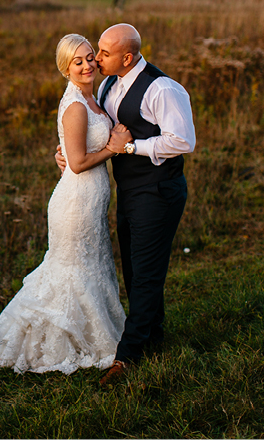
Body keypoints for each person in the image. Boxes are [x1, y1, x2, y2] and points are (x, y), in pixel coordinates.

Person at [56, 23, 196, 386]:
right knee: (135, 271)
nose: (96, 59)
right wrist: (69, 154)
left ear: (127, 57)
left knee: (146, 273)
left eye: (102, 53)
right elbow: (94, 130)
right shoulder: (107, 84)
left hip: (158, 190)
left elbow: (182, 141)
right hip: (126, 191)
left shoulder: (162, 88)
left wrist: (132, 148)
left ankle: (127, 357)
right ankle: (153, 336)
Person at [0, 34, 127, 374]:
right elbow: (77, 163)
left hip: (90, 200)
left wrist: (63, 153)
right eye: (77, 61)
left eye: (90, 57)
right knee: (71, 271)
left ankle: (94, 334)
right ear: (66, 68)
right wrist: (115, 147)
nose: (86, 65)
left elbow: (68, 150)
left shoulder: (91, 98)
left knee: (88, 266)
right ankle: (54, 346)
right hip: (75, 202)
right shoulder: (78, 105)